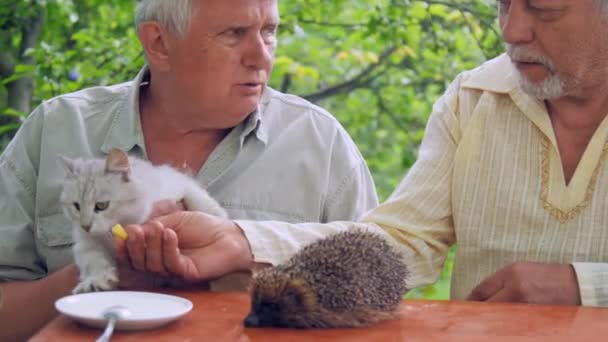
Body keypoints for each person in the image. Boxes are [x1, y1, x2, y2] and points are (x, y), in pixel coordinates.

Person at [116, 0, 608, 313]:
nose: (511, 29)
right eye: (503, 4)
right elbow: (401, 244)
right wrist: (240, 241)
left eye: (542, 8)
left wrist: (587, 287)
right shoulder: (473, 98)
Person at [0, 0, 378, 339]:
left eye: (269, 31)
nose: (261, 57)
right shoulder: (57, 130)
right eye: (235, 33)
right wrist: (103, 277)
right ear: (160, 43)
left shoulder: (320, 143)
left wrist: (240, 258)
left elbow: (380, 300)